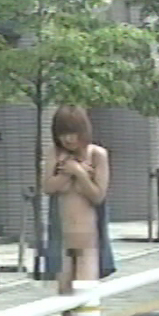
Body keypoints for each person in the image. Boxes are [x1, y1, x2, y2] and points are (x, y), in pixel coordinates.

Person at [43, 105, 110, 295]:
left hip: (88, 240)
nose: (69, 139)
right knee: (64, 296)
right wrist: (67, 172)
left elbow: (98, 195)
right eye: (63, 134)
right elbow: (48, 187)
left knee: (85, 296)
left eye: (73, 133)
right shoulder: (54, 154)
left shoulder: (97, 155)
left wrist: (79, 173)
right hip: (63, 240)